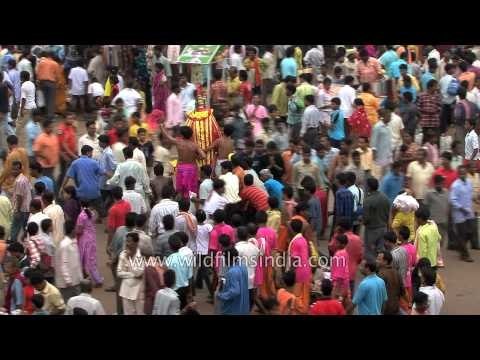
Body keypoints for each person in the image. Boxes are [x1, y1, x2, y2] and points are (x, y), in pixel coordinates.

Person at [159, 124, 205, 198]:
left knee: (181, 191)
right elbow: (203, 156)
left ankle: (183, 206)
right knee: (191, 190)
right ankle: (190, 206)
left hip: (181, 168)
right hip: (192, 168)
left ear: (182, 135)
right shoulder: (194, 145)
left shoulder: (178, 142)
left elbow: (168, 137)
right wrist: (196, 157)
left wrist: (161, 128)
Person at [450, 165, 478, 262]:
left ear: (466, 173)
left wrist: (475, 201)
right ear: (458, 174)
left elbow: (470, 196)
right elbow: (453, 200)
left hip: (469, 212)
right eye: (461, 173)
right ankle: (465, 255)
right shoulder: (455, 185)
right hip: (459, 214)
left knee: (471, 232)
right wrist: (461, 208)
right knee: (462, 234)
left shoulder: (469, 183)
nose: (463, 174)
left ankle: (460, 246)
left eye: (464, 173)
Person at [363, 177, 391, 262]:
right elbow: (388, 213)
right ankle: (380, 268)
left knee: (369, 252)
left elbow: (366, 218)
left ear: (369, 187)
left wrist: (362, 220)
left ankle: (372, 270)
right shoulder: (385, 198)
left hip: (372, 230)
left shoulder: (368, 200)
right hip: (383, 228)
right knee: (381, 251)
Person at [76, 201, 103, 287]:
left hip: (84, 239)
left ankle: (96, 280)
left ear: (81, 206)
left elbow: (79, 229)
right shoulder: (93, 213)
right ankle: (93, 277)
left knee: (83, 259)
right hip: (92, 238)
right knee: (91, 259)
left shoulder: (81, 216)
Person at [287, 218, 312, 314]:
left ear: (292, 230)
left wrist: (291, 273)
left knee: (296, 296)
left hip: (299, 272)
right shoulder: (303, 240)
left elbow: (295, 260)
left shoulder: (296, 241)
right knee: (304, 295)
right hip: (306, 270)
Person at [55, 220, 83, 303]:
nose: (77, 230)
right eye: (75, 228)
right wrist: (68, 280)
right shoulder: (65, 245)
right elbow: (63, 264)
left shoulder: (73, 242)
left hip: (75, 280)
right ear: (72, 230)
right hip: (68, 283)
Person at [117, 232, 145, 315]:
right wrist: (132, 275)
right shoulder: (122, 255)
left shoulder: (141, 256)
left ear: (136, 243)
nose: (127, 244)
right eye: (126, 241)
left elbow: (139, 273)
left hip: (138, 291)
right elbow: (119, 273)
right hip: (126, 290)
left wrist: (129, 259)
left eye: (129, 241)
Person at [216, 246, 250, 315]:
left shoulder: (232, 272)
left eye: (225, 259)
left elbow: (235, 291)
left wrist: (220, 295)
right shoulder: (243, 267)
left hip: (233, 309)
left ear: (229, 259)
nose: (224, 261)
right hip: (243, 307)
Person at [234, 226, 260, 311]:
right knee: (248, 305)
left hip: (239, 282)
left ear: (237, 236)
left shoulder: (236, 249)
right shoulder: (255, 248)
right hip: (251, 281)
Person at [165, 234, 191, 310]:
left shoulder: (168, 260)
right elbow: (190, 277)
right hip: (184, 289)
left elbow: (167, 278)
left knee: (175, 310)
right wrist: (189, 292)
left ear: (170, 246)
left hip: (174, 290)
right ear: (181, 245)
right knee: (184, 308)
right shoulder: (186, 258)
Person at [376, 250, 406, 315]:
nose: (376, 261)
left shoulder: (380, 274)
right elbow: (403, 292)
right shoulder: (397, 273)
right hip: (395, 308)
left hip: (384, 310)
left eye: (379, 259)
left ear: (385, 261)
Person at [10, 160, 32, 243]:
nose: (13, 171)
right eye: (12, 169)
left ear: (20, 170)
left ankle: (13, 245)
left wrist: (17, 211)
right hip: (27, 208)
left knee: (15, 228)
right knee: (25, 228)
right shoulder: (24, 178)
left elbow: (19, 197)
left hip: (21, 209)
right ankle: (27, 244)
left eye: (15, 169)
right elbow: (30, 189)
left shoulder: (19, 181)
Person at [35, 51, 60, 120]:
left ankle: (45, 114)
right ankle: (50, 116)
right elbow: (57, 76)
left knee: (45, 99)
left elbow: (37, 73)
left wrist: (38, 82)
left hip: (42, 82)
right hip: (51, 83)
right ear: (53, 57)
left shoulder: (41, 62)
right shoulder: (55, 64)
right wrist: (57, 84)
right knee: (51, 100)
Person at [370, 109, 393, 179]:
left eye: (390, 116)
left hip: (387, 155)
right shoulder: (377, 127)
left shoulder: (388, 126)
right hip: (379, 156)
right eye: (388, 116)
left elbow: (388, 142)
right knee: (378, 176)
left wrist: (390, 154)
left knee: (386, 175)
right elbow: (373, 143)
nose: (390, 118)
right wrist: (374, 156)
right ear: (383, 116)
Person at [17, 70, 36, 150]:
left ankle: (15, 142)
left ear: (22, 77)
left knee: (19, 125)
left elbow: (23, 99)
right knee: (31, 124)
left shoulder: (23, 86)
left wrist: (21, 110)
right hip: (33, 106)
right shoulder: (32, 84)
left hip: (26, 108)